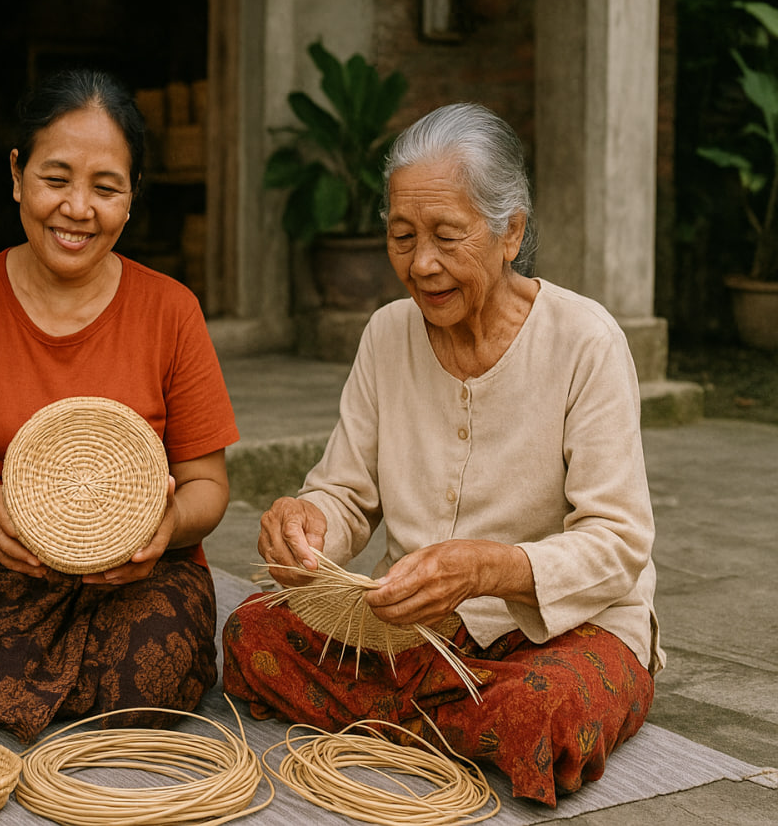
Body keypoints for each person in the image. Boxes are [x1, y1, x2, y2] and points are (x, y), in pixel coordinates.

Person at [222, 102, 663, 806]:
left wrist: (491, 568)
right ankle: (444, 721)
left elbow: (619, 541)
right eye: (402, 236)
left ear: (510, 231)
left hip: (555, 634)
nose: (421, 263)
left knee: (543, 710)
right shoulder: (385, 334)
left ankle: (411, 717)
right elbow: (345, 492)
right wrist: (306, 524)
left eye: (446, 237)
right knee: (251, 631)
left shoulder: (587, 341)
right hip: (416, 628)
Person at [0, 68, 239, 742]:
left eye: (106, 187)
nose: (77, 207)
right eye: (56, 178)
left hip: (136, 580)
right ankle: (81, 697)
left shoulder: (172, 310)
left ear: (132, 196)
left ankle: (49, 697)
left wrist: (165, 525)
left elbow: (208, 485)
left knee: (155, 665)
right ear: (17, 174)